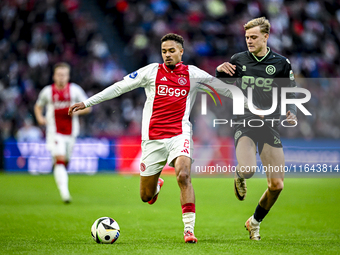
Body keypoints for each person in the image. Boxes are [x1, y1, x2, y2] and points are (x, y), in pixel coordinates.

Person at [69, 33, 252, 243]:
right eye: (164, 51)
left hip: (179, 134)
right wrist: (87, 102)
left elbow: (226, 90)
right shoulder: (151, 72)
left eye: (172, 51)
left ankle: (189, 230)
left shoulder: (192, 74)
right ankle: (157, 186)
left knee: (183, 175)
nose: (167, 55)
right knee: (146, 196)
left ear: (181, 52)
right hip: (152, 140)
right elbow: (119, 87)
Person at [215, 17, 298, 240]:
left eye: (253, 37)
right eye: (246, 37)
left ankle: (254, 222)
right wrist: (218, 70)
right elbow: (220, 84)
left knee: (277, 185)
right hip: (246, 121)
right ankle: (240, 175)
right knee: (249, 169)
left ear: (265, 36)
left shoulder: (281, 63)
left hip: (270, 125)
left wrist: (291, 111)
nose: (249, 41)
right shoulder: (239, 60)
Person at [34, 62, 92, 203]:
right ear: (54, 76)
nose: (61, 77)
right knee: (60, 160)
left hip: (71, 133)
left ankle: (58, 169)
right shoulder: (48, 91)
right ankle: (65, 194)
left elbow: (88, 107)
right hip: (54, 132)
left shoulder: (75, 90)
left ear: (68, 76)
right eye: (59, 74)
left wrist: (77, 111)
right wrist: (40, 118)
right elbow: (38, 106)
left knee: (65, 161)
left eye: (64, 75)